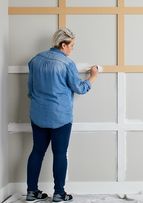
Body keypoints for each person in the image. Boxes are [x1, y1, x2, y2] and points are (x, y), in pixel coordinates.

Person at [26, 28, 98, 202]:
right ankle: (59, 193)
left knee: (37, 152)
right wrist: (93, 76)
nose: (72, 49)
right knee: (59, 154)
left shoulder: (35, 60)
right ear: (63, 44)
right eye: (71, 45)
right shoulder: (67, 64)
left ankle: (31, 192)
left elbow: (30, 90)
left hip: (38, 114)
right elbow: (79, 88)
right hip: (60, 116)